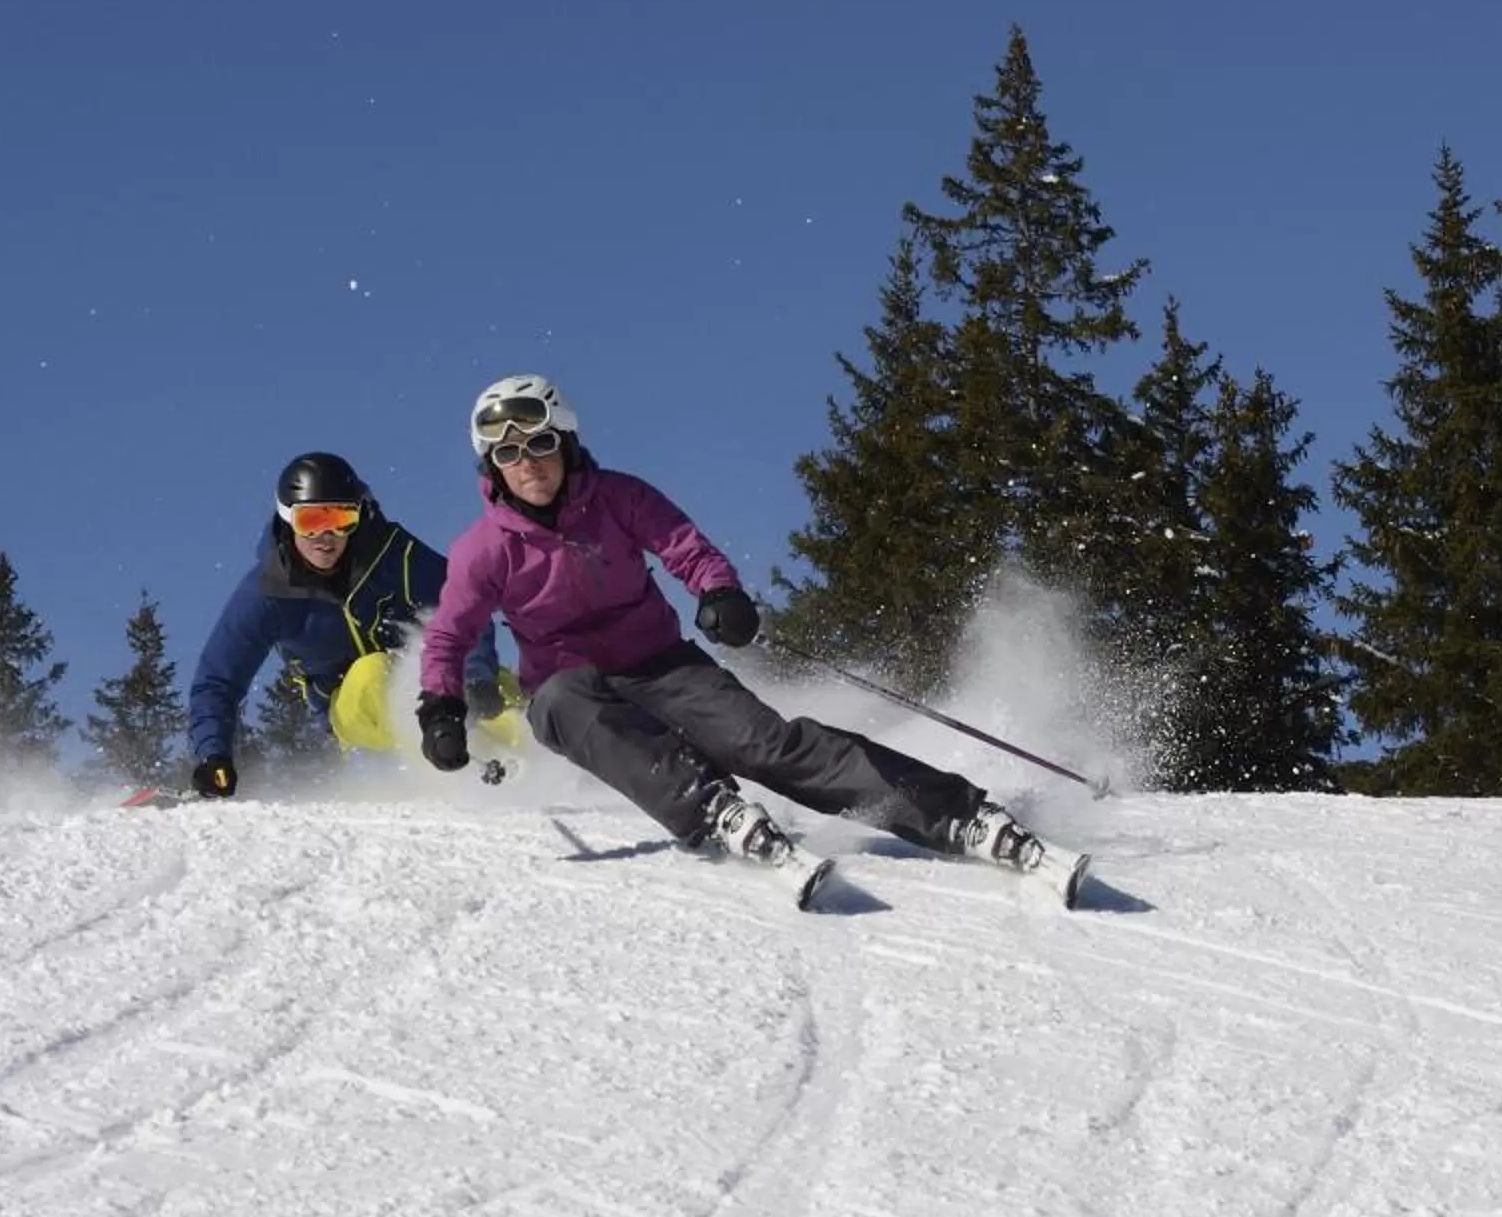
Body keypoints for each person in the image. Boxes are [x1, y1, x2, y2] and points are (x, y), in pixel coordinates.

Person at [413, 374, 1055, 876]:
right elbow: (450, 633)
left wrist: (720, 593)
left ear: (567, 441)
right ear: (492, 469)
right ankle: (709, 805)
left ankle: (956, 814)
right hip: (571, 687)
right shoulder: (485, 549)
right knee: (564, 704)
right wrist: (440, 707)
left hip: (661, 662)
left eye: (540, 444)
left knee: (764, 745)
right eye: (508, 455)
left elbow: (685, 547)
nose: (528, 464)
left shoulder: (619, 497)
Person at [184, 452, 509, 799]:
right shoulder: (268, 592)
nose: (327, 535)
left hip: (431, 684)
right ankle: (436, 776)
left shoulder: (393, 556)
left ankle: (539, 768)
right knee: (373, 674)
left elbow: (461, 605)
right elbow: (218, 681)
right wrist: (212, 753)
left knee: (503, 691)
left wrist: (476, 679)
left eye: (341, 518)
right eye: (311, 520)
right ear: (287, 518)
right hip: (353, 711)